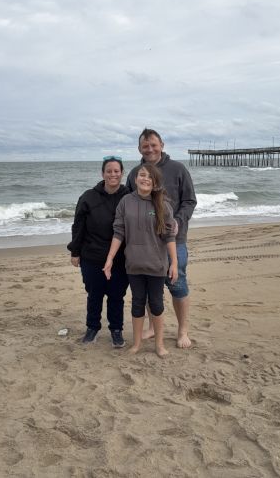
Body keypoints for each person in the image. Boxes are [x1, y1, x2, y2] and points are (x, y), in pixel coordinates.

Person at [126, 128, 197, 348]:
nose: (150, 149)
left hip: (174, 239)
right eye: (145, 146)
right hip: (145, 244)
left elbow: (190, 201)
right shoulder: (134, 173)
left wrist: (178, 220)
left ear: (162, 145)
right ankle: (151, 327)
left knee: (177, 283)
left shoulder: (178, 169)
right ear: (139, 149)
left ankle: (182, 331)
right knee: (149, 287)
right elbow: (128, 204)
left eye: (153, 145)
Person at [103, 163, 177, 357]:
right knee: (137, 303)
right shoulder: (125, 202)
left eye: (150, 177)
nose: (145, 179)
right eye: (142, 175)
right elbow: (118, 232)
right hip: (134, 265)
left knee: (156, 304)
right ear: (135, 179)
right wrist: (110, 258)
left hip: (156, 265)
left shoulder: (162, 204)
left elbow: (169, 237)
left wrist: (174, 263)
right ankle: (136, 344)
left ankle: (159, 344)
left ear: (155, 182)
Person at [68, 156, 130, 347]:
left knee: (116, 296)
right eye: (109, 171)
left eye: (116, 171)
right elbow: (78, 226)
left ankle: (116, 330)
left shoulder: (129, 196)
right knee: (94, 294)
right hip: (92, 256)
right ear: (102, 173)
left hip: (120, 258)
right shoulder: (88, 197)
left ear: (122, 173)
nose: (113, 174)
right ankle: (92, 328)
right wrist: (75, 252)